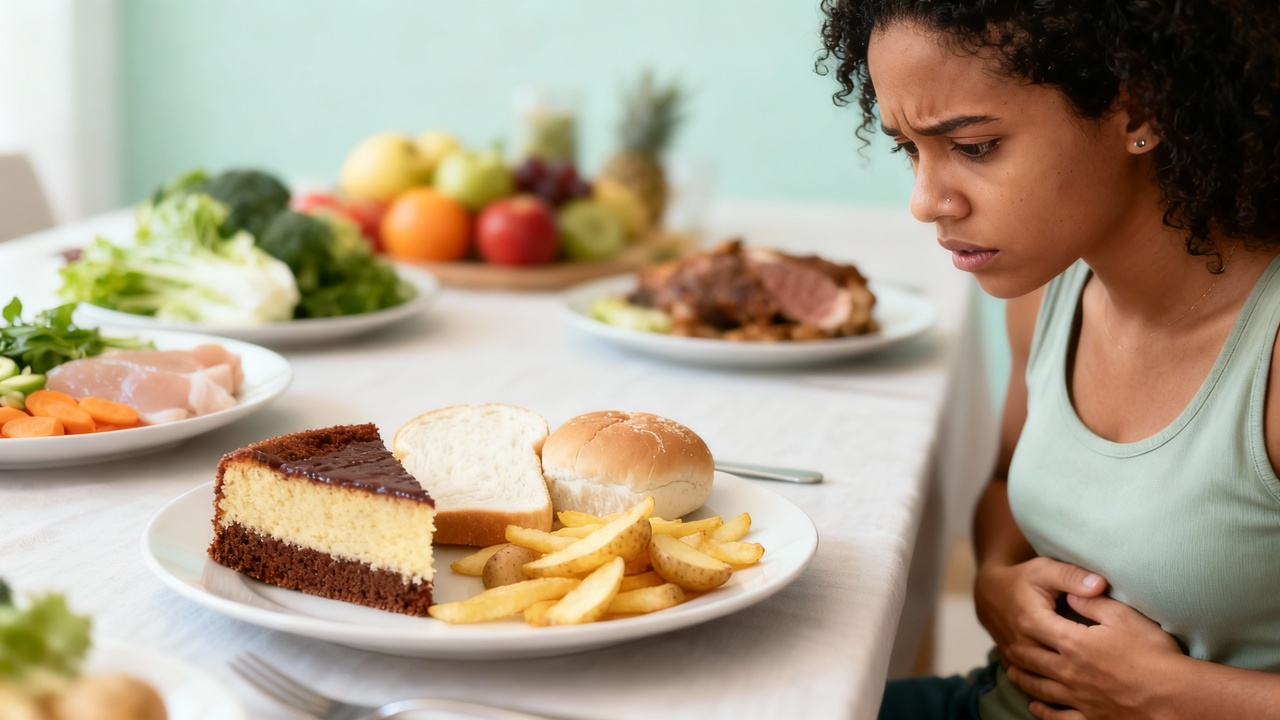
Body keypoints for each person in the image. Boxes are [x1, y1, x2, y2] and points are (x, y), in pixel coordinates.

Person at [817, 1, 1280, 719]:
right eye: (909, 148)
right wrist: (995, 583)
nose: (926, 201)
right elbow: (1007, 480)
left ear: (1139, 109)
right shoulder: (1047, 292)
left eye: (974, 147)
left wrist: (1168, 694)